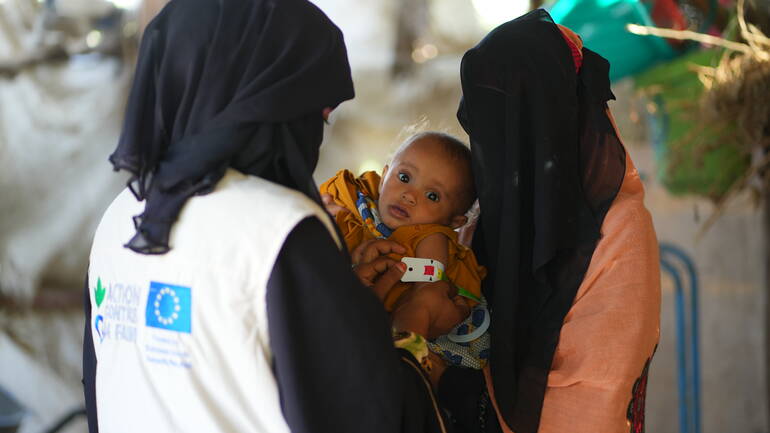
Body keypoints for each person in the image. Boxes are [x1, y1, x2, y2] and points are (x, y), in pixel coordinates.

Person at [81, 0, 449, 432]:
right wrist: (410, 341)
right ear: (271, 103)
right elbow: (358, 413)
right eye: (317, 116)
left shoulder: (124, 215)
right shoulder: (280, 228)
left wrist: (343, 298)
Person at [436, 10, 661, 433]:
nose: (492, 145)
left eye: (506, 121)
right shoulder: (486, 220)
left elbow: (598, 392)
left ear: (546, 119)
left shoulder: (618, 233)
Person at [320, 132, 486, 344]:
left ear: (454, 222)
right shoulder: (360, 200)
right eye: (404, 177)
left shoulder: (431, 236)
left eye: (432, 195)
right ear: (384, 177)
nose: (409, 195)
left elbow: (430, 279)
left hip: (393, 333)